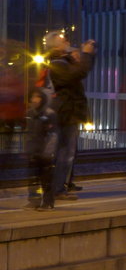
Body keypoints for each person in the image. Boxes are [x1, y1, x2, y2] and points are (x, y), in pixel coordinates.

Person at [44, 31, 96, 200]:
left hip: (68, 112)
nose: (67, 41)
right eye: (62, 40)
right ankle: (58, 189)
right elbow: (77, 74)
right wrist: (86, 54)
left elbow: (80, 70)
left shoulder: (63, 61)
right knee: (65, 153)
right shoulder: (57, 64)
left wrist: (84, 56)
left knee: (66, 152)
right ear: (56, 46)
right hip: (65, 113)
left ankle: (62, 185)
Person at [24, 88, 58, 210]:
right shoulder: (29, 114)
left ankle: (48, 202)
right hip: (33, 151)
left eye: (37, 97)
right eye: (33, 97)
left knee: (46, 179)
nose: (34, 100)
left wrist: (48, 152)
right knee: (33, 179)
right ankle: (34, 201)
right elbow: (28, 134)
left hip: (44, 153)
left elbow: (53, 135)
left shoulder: (49, 114)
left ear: (42, 99)